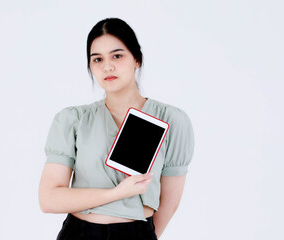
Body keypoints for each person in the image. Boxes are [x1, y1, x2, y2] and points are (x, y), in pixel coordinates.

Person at [39, 18, 195, 240]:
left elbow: (170, 202)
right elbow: (49, 199)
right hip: (79, 233)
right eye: (97, 59)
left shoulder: (172, 120)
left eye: (117, 56)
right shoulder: (72, 119)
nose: (107, 66)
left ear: (137, 59)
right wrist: (116, 194)